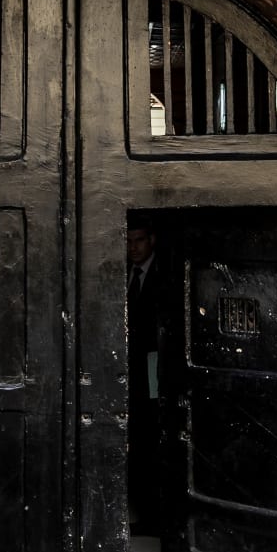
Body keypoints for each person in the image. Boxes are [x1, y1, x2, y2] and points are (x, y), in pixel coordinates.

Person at [126, 223, 163, 534]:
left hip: (154, 369)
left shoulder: (163, 274)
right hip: (131, 372)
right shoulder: (125, 273)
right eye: (128, 241)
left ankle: (154, 515)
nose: (133, 248)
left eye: (139, 240)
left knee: (151, 436)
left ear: (152, 240)